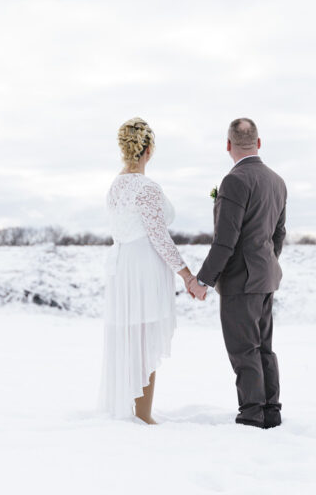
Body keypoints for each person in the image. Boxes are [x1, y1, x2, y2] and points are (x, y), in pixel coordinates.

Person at [98, 117, 206, 424]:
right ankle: (143, 416)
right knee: (143, 339)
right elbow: (159, 236)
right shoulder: (145, 187)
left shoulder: (115, 186)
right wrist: (187, 275)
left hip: (123, 268)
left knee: (132, 337)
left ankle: (133, 410)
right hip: (142, 268)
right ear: (149, 150)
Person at [191, 117, 287, 429]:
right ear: (258, 143)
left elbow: (224, 241)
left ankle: (251, 416)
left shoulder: (235, 181)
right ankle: (270, 412)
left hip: (241, 282)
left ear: (228, 146)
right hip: (265, 277)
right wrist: (266, 263)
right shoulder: (277, 181)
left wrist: (202, 280)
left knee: (244, 351)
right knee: (263, 349)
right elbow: (279, 234)